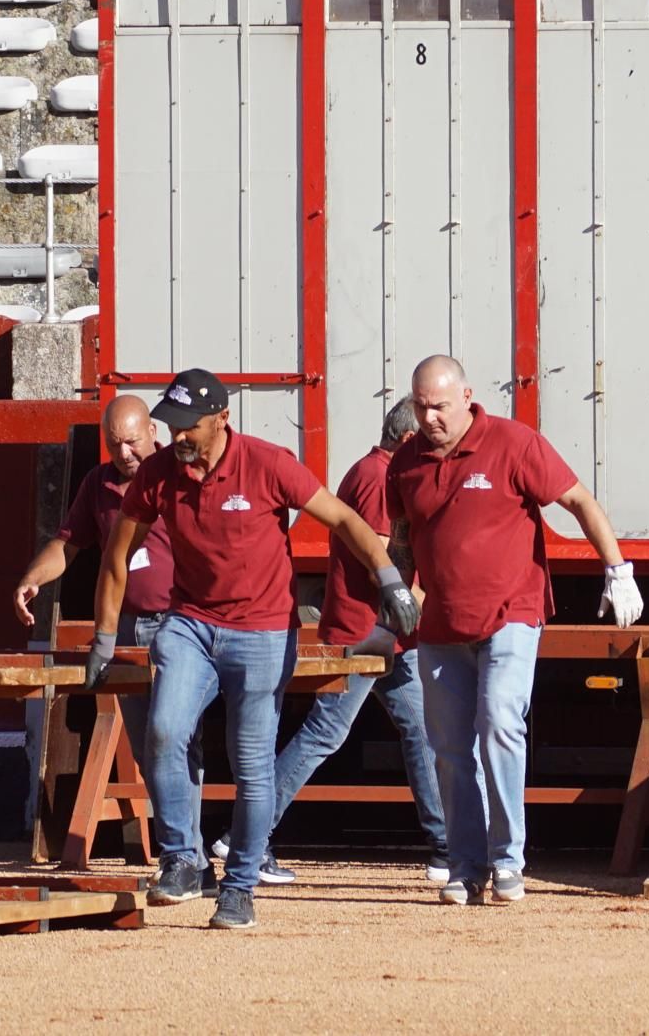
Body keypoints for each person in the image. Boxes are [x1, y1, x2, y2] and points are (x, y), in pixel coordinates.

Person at [87, 368, 420, 930]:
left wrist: (388, 577)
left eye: (188, 428)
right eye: (170, 428)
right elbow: (118, 553)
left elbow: (342, 518)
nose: (177, 439)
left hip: (263, 629)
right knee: (165, 730)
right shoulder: (159, 474)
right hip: (190, 622)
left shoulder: (267, 464)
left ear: (221, 420)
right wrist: (102, 635)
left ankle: (239, 885)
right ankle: (181, 859)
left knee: (252, 762)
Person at [388, 355, 644, 906]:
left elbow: (578, 499)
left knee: (500, 723)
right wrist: (398, 592)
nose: (429, 417)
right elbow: (403, 532)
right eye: (420, 405)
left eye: (439, 405)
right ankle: (464, 865)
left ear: (467, 396)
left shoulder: (513, 443)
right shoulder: (405, 461)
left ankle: (508, 860)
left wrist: (617, 569)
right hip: (440, 624)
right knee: (450, 748)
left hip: (512, 612)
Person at [209, 398, 451, 884]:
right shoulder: (380, 477)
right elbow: (383, 556)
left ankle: (445, 845)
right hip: (368, 630)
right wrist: (437, 583)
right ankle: (244, 839)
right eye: (426, 436)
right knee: (326, 733)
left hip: (386, 631)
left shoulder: (370, 471)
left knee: (421, 728)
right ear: (407, 439)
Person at [14, 395, 215, 887]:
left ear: (153, 431)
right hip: (126, 627)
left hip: (181, 625)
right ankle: (191, 859)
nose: (124, 453)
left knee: (175, 739)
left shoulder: (181, 473)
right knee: (152, 750)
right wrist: (34, 579)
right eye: (113, 443)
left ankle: (185, 857)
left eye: (131, 440)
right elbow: (69, 544)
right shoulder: (98, 484)